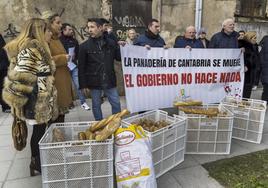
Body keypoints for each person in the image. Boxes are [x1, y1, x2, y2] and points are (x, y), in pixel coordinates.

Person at [2, 18, 58, 176]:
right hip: (35, 101)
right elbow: (21, 78)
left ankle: (38, 162)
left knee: (40, 131)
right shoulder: (32, 49)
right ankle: (37, 163)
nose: (50, 33)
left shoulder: (37, 47)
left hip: (39, 98)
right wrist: (39, 98)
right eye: (47, 30)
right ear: (40, 31)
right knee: (39, 132)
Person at [78, 18, 122, 120]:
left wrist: (121, 47)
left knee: (116, 103)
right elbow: (81, 67)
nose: (89, 30)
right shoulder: (84, 47)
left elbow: (118, 58)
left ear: (100, 28)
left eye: (92, 27)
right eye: (88, 27)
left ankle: (116, 124)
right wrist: (83, 84)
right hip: (94, 80)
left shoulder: (111, 43)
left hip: (109, 79)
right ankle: (99, 125)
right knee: (96, 105)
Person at [42, 11, 74, 122]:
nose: (61, 25)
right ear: (49, 24)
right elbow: (44, 60)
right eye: (58, 22)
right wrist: (63, 58)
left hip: (62, 83)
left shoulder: (56, 39)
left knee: (60, 119)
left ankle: (59, 138)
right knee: (55, 121)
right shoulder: (46, 40)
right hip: (55, 86)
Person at [60, 23, 90, 110]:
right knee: (66, 86)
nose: (71, 31)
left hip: (73, 66)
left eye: (71, 29)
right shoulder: (59, 41)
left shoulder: (74, 41)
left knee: (78, 84)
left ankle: (83, 102)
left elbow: (78, 52)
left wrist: (74, 57)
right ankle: (69, 103)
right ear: (63, 30)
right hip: (64, 67)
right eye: (69, 29)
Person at [238, 32, 255, 98]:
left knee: (247, 93)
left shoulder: (253, 46)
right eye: (254, 38)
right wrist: (245, 65)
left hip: (251, 73)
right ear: (249, 38)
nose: (255, 39)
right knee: (244, 92)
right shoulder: (241, 45)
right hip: (245, 73)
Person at [0, 34, 11, 112]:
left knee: (3, 86)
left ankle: (6, 106)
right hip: (2, 66)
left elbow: (4, 50)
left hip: (2, 66)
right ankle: (5, 106)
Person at [259, 35, 268, 102]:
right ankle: (263, 106)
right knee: (266, 90)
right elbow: (261, 57)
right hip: (266, 70)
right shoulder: (265, 40)